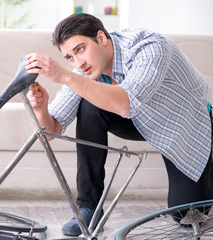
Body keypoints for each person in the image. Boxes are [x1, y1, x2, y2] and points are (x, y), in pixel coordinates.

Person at [25, 13, 213, 236]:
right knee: (89, 103)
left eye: (80, 49)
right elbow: (50, 132)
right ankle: (89, 207)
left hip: (184, 127)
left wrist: (65, 76)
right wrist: (40, 109)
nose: (78, 62)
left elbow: (126, 103)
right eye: (70, 58)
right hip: (141, 119)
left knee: (188, 216)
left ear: (101, 37)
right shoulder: (84, 70)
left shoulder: (151, 47)